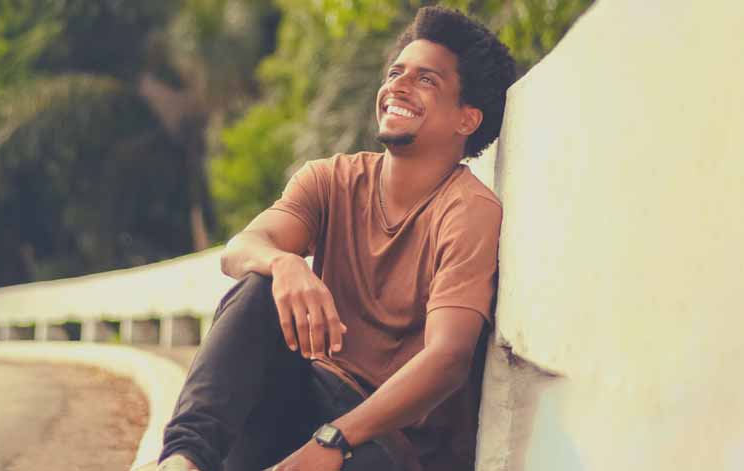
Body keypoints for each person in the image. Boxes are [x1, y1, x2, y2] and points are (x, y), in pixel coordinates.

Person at [157, 6, 516, 471]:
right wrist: (285, 264)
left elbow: (447, 357)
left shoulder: (467, 211)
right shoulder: (332, 179)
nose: (398, 86)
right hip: (305, 399)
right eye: (396, 72)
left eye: (427, 80)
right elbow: (240, 248)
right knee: (259, 286)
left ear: (466, 120)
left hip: (388, 440)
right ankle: (182, 461)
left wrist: (334, 440)